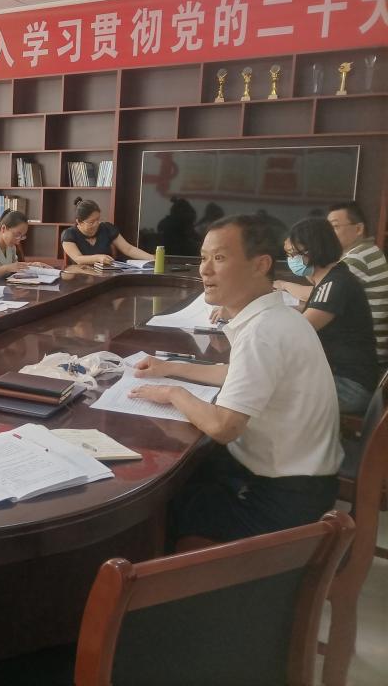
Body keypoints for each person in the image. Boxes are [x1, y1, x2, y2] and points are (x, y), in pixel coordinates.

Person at [129, 215, 343, 545]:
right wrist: (169, 367)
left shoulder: (262, 332)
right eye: (203, 258)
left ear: (260, 265)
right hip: (304, 480)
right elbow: (236, 375)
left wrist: (173, 393)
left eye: (219, 258)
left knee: (157, 506)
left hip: (281, 500)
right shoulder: (279, 316)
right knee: (190, 469)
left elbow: (223, 427)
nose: (204, 270)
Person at [279, 218, 378, 414]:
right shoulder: (331, 279)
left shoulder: (335, 284)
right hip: (340, 377)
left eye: (294, 254)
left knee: (271, 393)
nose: (292, 260)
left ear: (314, 251)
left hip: (349, 387)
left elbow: (297, 332)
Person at [327, 201, 388, 365]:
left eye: (335, 227)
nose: (329, 234)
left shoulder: (359, 258)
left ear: (358, 229)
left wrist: (284, 285)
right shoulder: (367, 251)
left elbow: (322, 293)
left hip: (366, 353)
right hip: (365, 346)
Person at [61, 198, 154, 266]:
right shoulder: (69, 235)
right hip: (81, 276)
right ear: (79, 222)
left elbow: (128, 249)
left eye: (98, 219)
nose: (96, 224)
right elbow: (78, 259)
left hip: (106, 275)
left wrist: (152, 258)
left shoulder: (107, 228)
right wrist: (98, 258)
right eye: (91, 222)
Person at [0, 210, 45, 283]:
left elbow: (14, 267)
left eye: (22, 236)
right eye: (17, 235)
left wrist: (32, 265)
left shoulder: (11, 246)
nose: (18, 241)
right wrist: (6, 268)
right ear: (3, 228)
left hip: (4, 287)